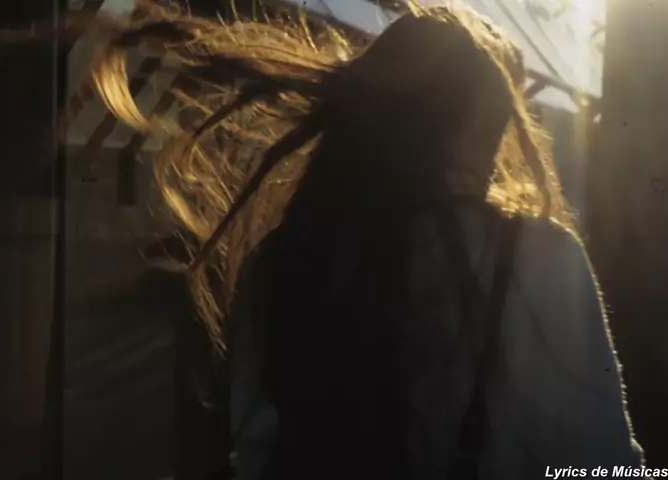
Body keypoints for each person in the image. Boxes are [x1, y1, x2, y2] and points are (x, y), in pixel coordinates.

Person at [93, 2, 646, 478]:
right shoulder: (534, 257)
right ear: (470, 130)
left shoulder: (285, 260)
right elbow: (601, 461)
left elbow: (257, 454)